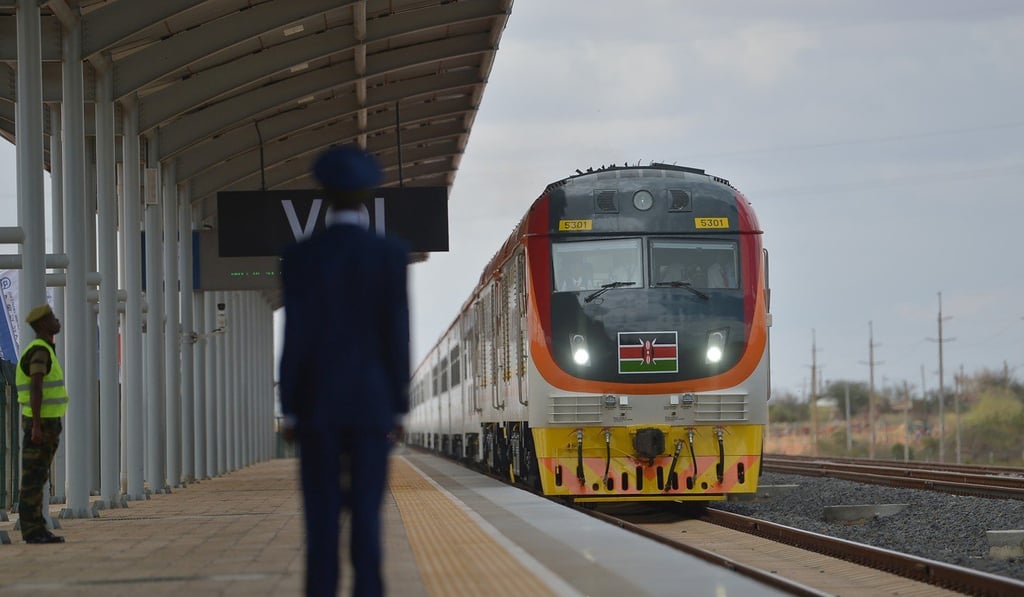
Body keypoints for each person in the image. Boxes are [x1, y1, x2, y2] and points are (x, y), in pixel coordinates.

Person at [278, 144, 410, 597]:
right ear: (368, 194)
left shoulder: (301, 257)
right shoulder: (390, 254)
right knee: (368, 519)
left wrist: (290, 409)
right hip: (372, 406)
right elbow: (397, 335)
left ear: (324, 194)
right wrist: (398, 407)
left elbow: (295, 336)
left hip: (317, 408)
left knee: (320, 520)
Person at [16, 303, 67, 544]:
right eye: (52, 318)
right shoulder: (40, 351)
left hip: (46, 424)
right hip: (41, 425)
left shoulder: (45, 349)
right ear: (42, 324)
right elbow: (36, 386)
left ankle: (38, 528)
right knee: (33, 478)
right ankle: (32, 531)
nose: (57, 321)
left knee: (38, 477)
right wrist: (36, 425)